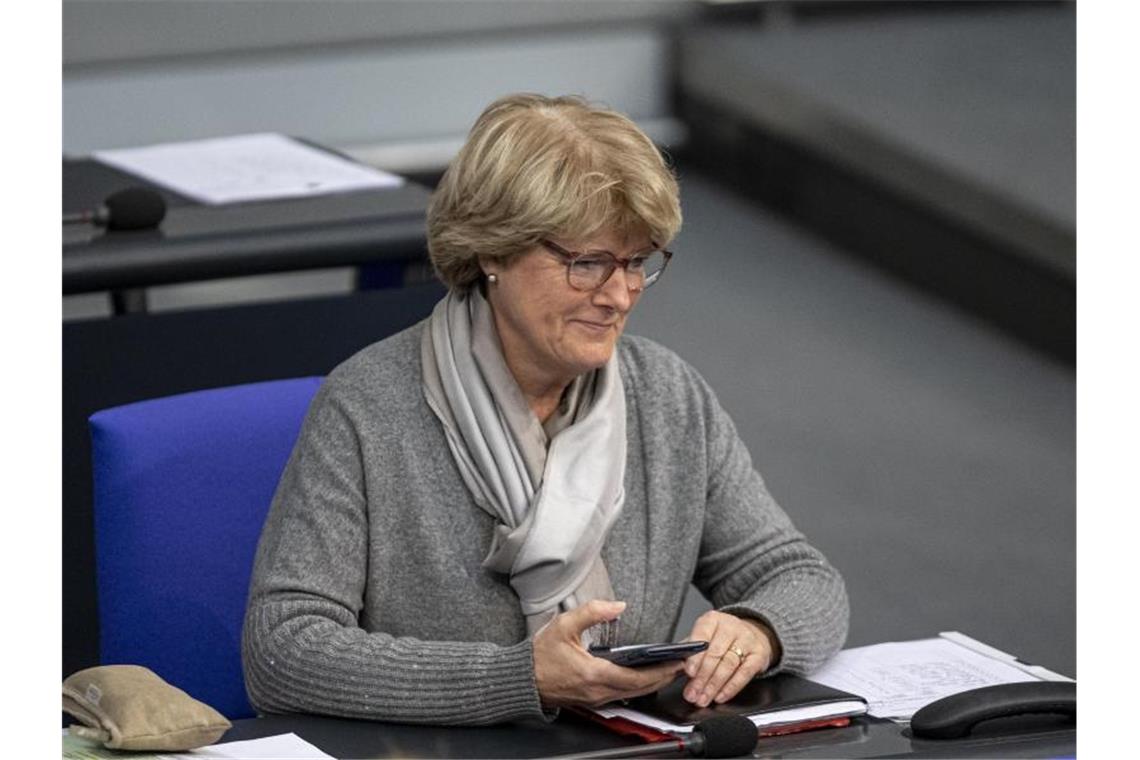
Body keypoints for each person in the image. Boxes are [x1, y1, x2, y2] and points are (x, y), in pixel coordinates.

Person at [242, 93, 848, 726]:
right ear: (491, 252)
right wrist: (520, 678)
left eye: (636, 262)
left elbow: (798, 576)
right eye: (587, 264)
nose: (618, 295)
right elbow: (283, 650)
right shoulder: (369, 406)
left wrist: (758, 632)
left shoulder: (668, 397)